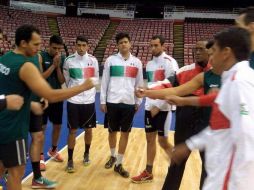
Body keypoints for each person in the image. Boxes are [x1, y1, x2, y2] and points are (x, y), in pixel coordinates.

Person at [0, 24, 94, 190]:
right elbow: (51, 94)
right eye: (35, 44)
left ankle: (39, 175)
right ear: (23, 43)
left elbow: (9, 91)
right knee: (16, 173)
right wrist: (82, 87)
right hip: (12, 128)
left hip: (3, 120)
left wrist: (29, 103)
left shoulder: (4, 59)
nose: (39, 47)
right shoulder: (26, 65)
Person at [169, 27, 254, 190]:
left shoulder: (240, 82)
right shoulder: (232, 80)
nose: (211, 57)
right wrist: (189, 145)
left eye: (213, 51)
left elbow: (247, 137)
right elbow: (219, 128)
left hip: (231, 181)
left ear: (226, 52)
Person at [137, 40, 211, 190]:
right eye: (195, 49)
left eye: (201, 49)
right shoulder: (184, 71)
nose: (196, 52)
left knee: (209, 165)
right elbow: (167, 84)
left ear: (210, 51)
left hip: (207, 120)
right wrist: (148, 90)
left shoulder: (218, 72)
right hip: (185, 117)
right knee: (177, 161)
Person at [131, 35, 178, 183]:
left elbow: (172, 86)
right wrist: (147, 104)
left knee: (163, 142)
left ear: (163, 46)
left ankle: (177, 166)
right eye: (151, 45)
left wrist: (158, 107)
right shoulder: (150, 64)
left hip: (163, 108)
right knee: (150, 140)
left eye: (156, 45)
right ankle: (148, 171)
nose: (153, 48)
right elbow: (150, 85)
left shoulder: (170, 62)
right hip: (149, 107)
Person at [100, 32, 143, 178]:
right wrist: (102, 100)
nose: (123, 44)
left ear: (130, 43)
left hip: (129, 103)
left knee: (125, 133)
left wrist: (138, 102)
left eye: (125, 42)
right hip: (112, 102)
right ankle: (112, 156)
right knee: (112, 132)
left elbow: (139, 83)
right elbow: (104, 81)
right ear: (117, 45)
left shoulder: (137, 62)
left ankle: (119, 163)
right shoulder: (110, 61)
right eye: (120, 42)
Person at [63, 35, 99, 173]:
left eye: (84, 45)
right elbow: (67, 81)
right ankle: (70, 160)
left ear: (88, 46)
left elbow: (94, 79)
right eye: (79, 45)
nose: (81, 48)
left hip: (89, 101)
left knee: (88, 130)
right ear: (75, 45)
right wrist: (75, 92)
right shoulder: (68, 61)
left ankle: (86, 154)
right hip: (74, 101)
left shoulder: (93, 60)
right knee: (72, 131)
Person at [40, 35, 66, 169]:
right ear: (49, 45)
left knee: (57, 126)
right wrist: (53, 66)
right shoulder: (41, 56)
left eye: (58, 48)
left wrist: (57, 67)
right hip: (42, 97)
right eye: (54, 47)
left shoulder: (61, 58)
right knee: (42, 128)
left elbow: (62, 81)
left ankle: (53, 150)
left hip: (57, 97)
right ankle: (40, 156)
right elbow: (39, 78)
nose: (56, 50)